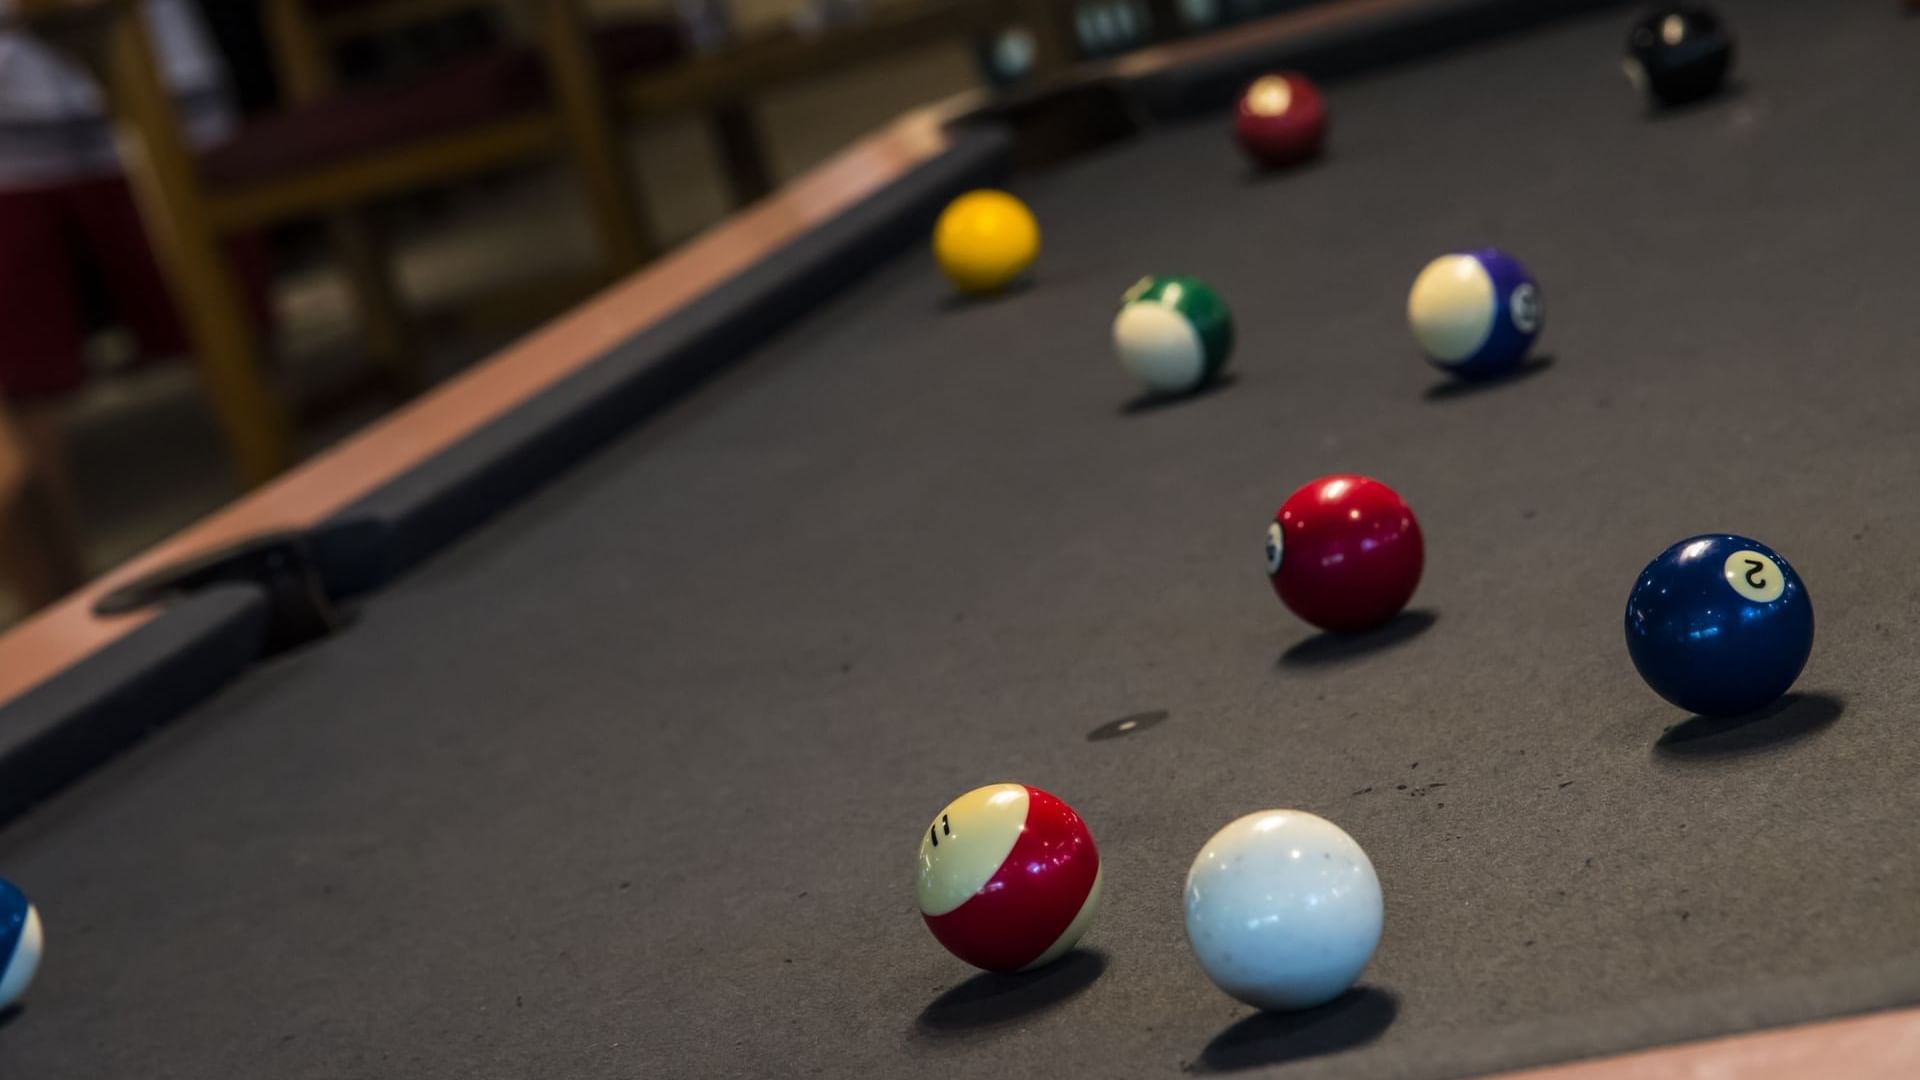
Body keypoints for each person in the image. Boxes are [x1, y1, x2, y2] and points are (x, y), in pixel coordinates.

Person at [0, 0, 257, 611]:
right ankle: (58, 621)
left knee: (228, 329)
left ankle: (291, 527)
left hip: (162, 86)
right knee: (22, 372)